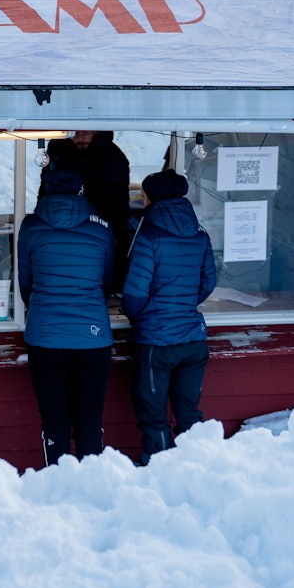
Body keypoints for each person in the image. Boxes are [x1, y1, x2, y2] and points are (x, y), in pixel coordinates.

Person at [18, 161, 115, 465]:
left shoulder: (31, 226)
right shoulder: (101, 227)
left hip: (46, 336)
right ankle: (90, 482)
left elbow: (25, 281)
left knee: (53, 419)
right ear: (80, 189)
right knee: (89, 419)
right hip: (92, 336)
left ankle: (56, 483)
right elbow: (107, 279)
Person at [122, 168, 217, 465]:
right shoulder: (200, 235)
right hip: (193, 340)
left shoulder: (149, 235)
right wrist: (184, 305)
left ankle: (158, 468)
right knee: (189, 412)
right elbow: (208, 283)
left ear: (150, 198)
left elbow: (135, 294)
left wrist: (139, 316)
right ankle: (194, 467)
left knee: (153, 415)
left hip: (156, 343)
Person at [39, 131, 131, 292]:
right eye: (74, 133)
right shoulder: (57, 152)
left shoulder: (113, 158)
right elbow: (44, 194)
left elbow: (119, 206)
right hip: (58, 230)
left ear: (97, 132)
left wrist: (117, 240)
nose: (79, 138)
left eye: (85, 133)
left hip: (98, 233)